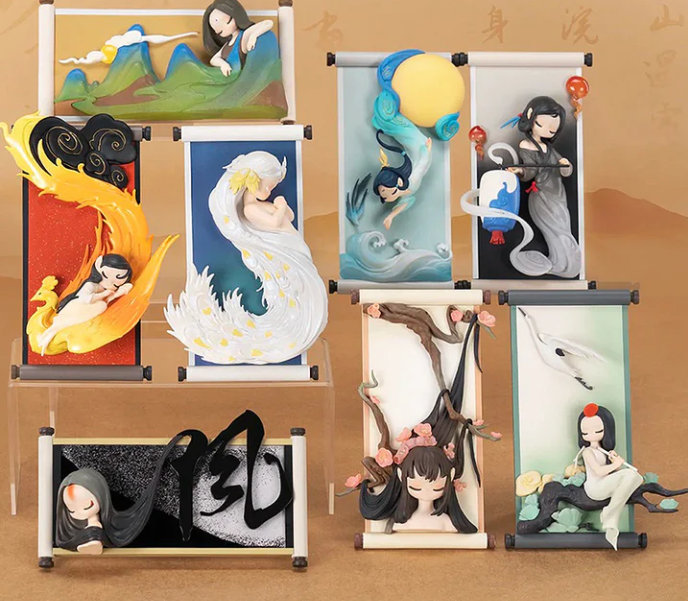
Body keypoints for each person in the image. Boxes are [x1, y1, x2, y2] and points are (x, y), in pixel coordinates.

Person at [202, 0, 275, 77]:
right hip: (231, 78)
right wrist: (223, 64)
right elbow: (213, 60)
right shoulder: (227, 45)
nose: (217, 29)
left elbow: (268, 23)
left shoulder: (245, 35)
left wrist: (253, 36)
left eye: (218, 21)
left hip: (242, 78)